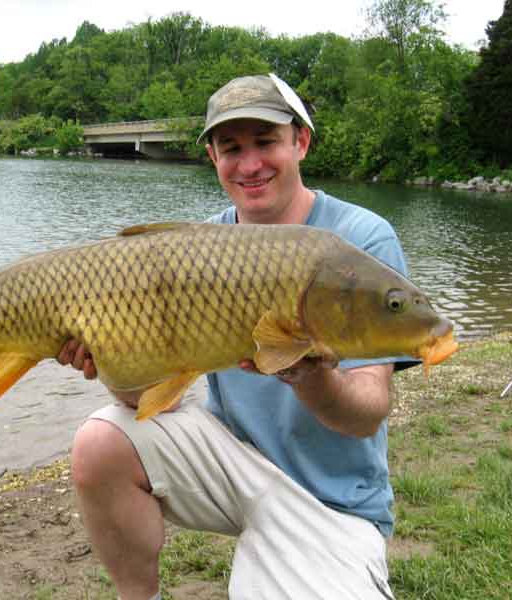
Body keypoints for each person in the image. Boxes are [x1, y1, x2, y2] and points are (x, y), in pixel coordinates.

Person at [58, 74, 414, 600]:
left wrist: (308, 375)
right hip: (232, 463)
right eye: (232, 148)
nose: (250, 165)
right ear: (212, 157)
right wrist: (107, 361)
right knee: (100, 441)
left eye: (266, 142)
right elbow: (149, 397)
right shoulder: (201, 247)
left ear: (301, 142)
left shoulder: (358, 241)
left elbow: (367, 412)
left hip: (331, 501)